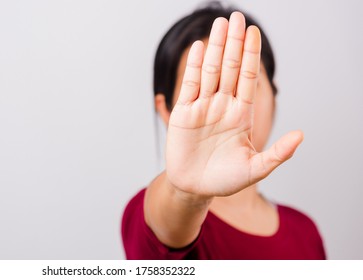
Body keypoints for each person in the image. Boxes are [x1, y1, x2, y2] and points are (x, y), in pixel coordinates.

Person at [121, 2, 326, 260]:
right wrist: (186, 193)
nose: (227, 103)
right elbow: (165, 226)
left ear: (274, 95)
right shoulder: (150, 216)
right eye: (206, 86)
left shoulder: (304, 231)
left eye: (246, 81)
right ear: (166, 110)